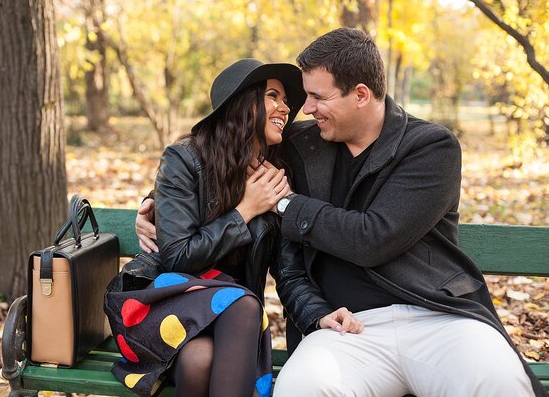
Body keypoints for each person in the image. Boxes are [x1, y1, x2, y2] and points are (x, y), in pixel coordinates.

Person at [136, 29, 548, 397]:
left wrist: (284, 203)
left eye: (318, 97)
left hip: (437, 318)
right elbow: (215, 156)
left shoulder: (430, 147)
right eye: (301, 97)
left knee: (499, 382)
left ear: (361, 94)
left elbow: (373, 238)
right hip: (344, 328)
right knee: (302, 388)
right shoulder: (298, 146)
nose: (306, 108)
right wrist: (152, 207)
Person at [106, 57, 365, 397]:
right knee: (242, 305)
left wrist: (319, 315)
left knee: (200, 358)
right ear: (242, 105)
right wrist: (245, 211)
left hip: (229, 326)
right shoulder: (186, 159)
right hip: (166, 305)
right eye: (273, 96)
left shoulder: (277, 176)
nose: (286, 108)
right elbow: (176, 258)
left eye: (286, 100)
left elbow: (288, 273)